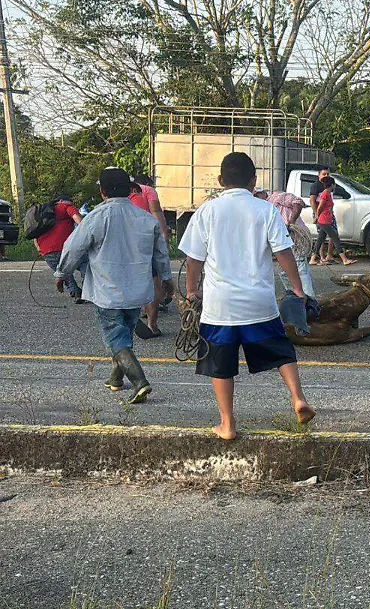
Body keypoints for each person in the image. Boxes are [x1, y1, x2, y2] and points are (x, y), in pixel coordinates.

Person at [179, 151, 315, 441]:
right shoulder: (265, 210)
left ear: (220, 181)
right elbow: (284, 253)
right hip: (259, 302)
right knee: (280, 350)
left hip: (219, 306)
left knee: (220, 365)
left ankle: (227, 424)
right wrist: (298, 288)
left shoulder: (207, 211)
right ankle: (298, 398)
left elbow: (193, 260)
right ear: (254, 182)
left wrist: (192, 291)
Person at [55, 167, 173, 404]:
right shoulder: (146, 219)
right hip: (138, 291)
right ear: (131, 190)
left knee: (115, 339)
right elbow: (161, 253)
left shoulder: (97, 217)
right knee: (124, 335)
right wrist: (167, 279)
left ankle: (140, 381)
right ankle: (115, 379)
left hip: (107, 291)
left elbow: (73, 247)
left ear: (102, 192)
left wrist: (62, 273)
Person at [254, 187, 316, 296]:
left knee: (300, 268)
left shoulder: (277, 197)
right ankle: (295, 297)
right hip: (283, 241)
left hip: (294, 237)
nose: (256, 199)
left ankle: (309, 301)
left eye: (257, 196)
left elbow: (298, 202)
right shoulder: (262, 208)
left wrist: (291, 223)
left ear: (263, 193)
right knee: (284, 272)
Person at [130, 174, 171, 336]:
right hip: (146, 240)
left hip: (126, 244)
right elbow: (156, 211)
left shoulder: (115, 197)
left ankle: (136, 311)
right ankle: (152, 325)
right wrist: (164, 238)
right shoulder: (148, 191)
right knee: (154, 281)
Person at [34, 196, 85, 303]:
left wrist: (39, 248)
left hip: (47, 252)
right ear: (62, 201)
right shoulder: (66, 206)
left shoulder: (43, 212)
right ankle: (89, 290)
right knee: (86, 265)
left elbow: (35, 232)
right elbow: (78, 219)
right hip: (66, 247)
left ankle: (75, 292)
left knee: (64, 273)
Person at [308, 169, 355, 267]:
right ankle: (344, 259)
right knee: (335, 238)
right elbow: (320, 206)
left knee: (320, 239)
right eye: (334, 185)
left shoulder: (328, 193)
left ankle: (312, 259)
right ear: (332, 185)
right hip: (324, 220)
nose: (335, 186)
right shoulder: (325, 193)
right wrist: (316, 216)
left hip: (327, 219)